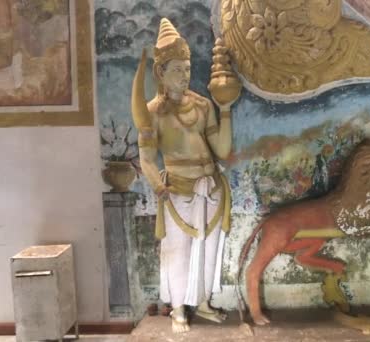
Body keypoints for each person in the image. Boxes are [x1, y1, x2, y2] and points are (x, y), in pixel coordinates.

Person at [131, 18, 238, 333]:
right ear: (161, 72)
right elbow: (146, 158)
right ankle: (178, 309)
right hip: (177, 190)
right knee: (178, 252)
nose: (185, 75)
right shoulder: (153, 112)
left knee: (208, 248)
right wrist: (157, 185)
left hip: (211, 187)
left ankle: (202, 302)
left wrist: (227, 108)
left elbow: (220, 149)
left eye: (188, 68)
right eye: (177, 69)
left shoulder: (204, 106)